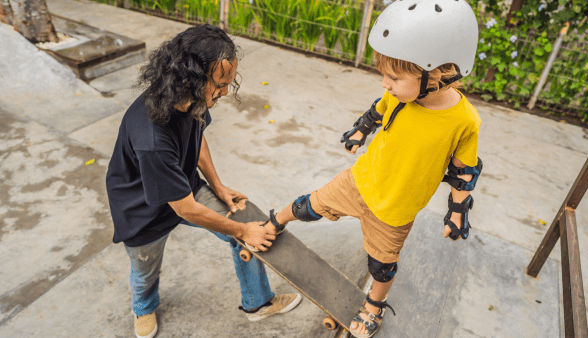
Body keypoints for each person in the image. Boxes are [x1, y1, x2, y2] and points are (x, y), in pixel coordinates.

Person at [250, 1, 483, 337]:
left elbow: (463, 171)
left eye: (394, 76)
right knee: (309, 205)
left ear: (439, 73)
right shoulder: (402, 95)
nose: (385, 83)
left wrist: (458, 211)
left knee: (382, 265)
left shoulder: (463, 122)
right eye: (384, 75)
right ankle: (276, 221)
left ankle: (373, 306)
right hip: (359, 181)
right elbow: (378, 109)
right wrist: (360, 130)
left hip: (395, 209)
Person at [105, 24, 301, 338]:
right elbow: (185, 210)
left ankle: (257, 303)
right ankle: (143, 308)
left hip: (184, 187)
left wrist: (218, 187)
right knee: (145, 273)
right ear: (191, 79)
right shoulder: (151, 137)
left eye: (228, 82)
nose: (225, 92)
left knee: (249, 233)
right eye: (220, 83)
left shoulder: (190, 98)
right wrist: (240, 229)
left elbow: (196, 137)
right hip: (141, 210)